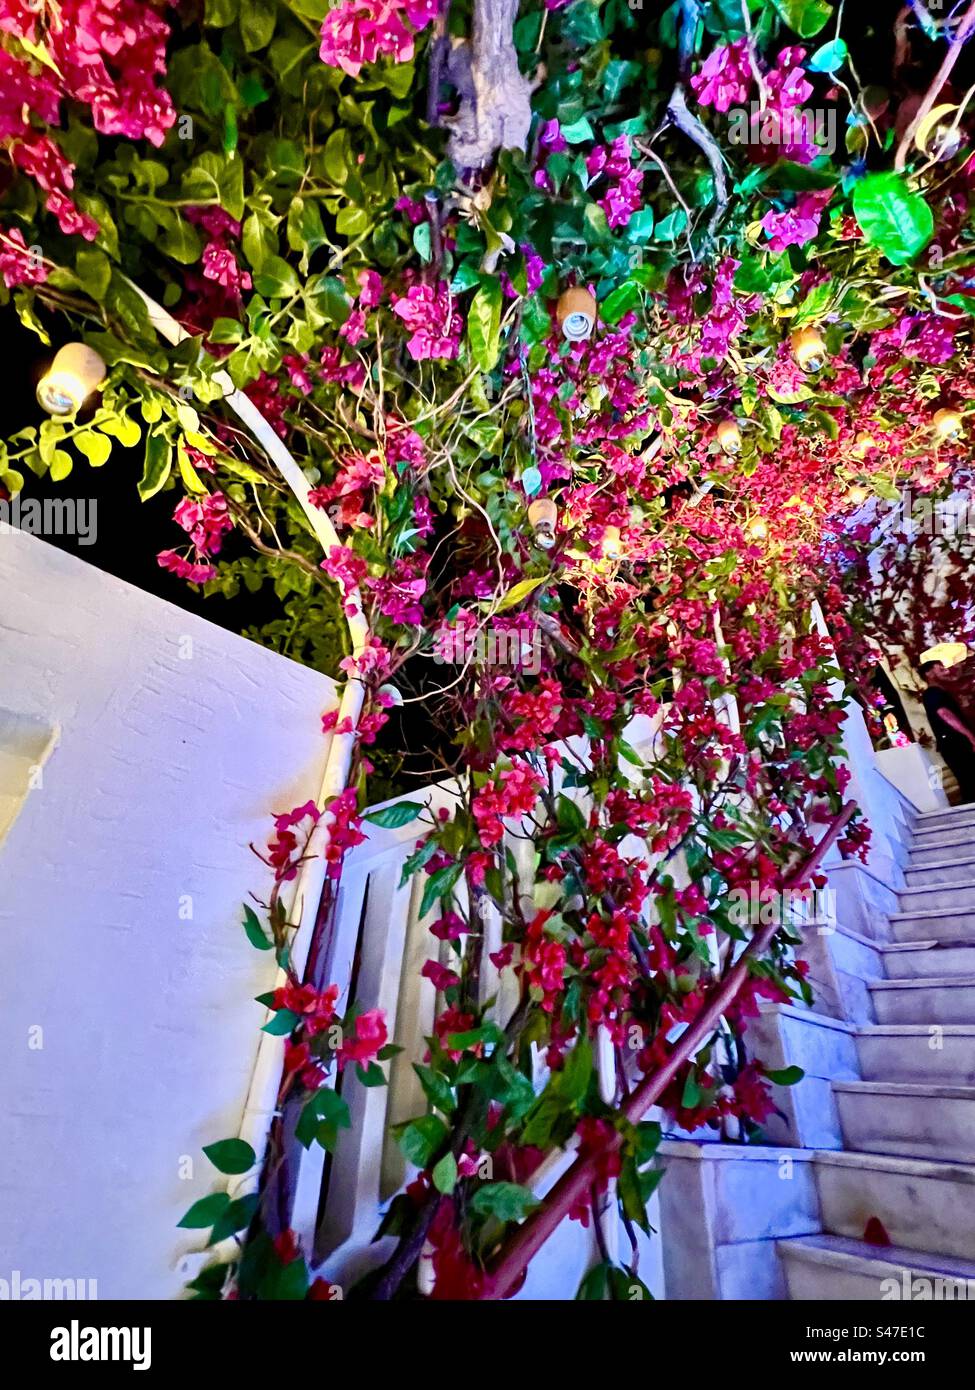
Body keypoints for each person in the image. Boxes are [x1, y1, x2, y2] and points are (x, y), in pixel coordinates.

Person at [919, 660, 975, 804]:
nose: (945, 670)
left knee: (968, 779)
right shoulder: (932, 693)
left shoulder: (941, 692)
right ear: (928, 674)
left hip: (955, 741)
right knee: (968, 778)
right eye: (940, 668)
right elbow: (944, 713)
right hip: (954, 741)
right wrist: (969, 735)